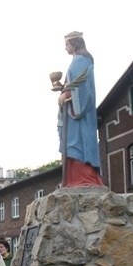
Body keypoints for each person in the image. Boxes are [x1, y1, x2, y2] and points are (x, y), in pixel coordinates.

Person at [57, 31, 104, 187]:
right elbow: (74, 83)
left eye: (67, 45)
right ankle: (73, 179)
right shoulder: (79, 61)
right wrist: (63, 89)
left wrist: (66, 94)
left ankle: (83, 178)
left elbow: (80, 86)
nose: (65, 49)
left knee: (76, 144)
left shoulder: (81, 61)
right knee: (72, 144)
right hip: (74, 113)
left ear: (75, 44)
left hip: (78, 115)